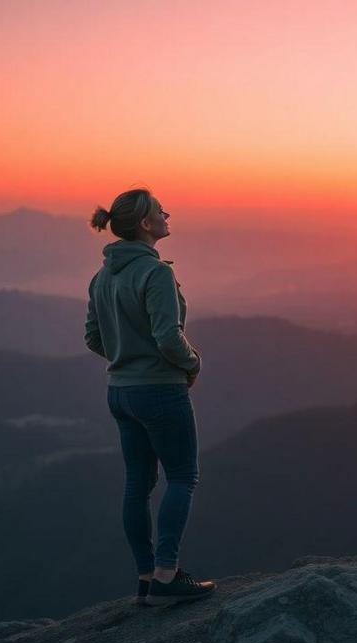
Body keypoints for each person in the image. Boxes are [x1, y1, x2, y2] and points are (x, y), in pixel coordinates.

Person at [84, 188, 216, 606]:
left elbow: (92, 337)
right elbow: (168, 337)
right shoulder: (155, 273)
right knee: (182, 477)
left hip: (119, 393)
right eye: (160, 211)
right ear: (145, 223)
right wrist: (191, 363)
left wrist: (126, 357)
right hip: (160, 390)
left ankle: (145, 578)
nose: (166, 214)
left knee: (137, 486)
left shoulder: (102, 276)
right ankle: (166, 575)